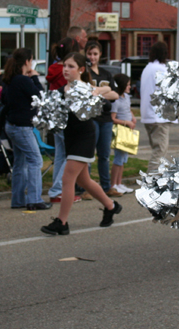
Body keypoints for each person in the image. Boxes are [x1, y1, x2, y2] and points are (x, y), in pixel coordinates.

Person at [41, 52, 121, 235]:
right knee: (84, 180)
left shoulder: (85, 87)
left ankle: (62, 222)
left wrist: (96, 91)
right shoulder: (61, 91)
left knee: (67, 179)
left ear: (81, 70)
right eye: (64, 66)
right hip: (70, 138)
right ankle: (111, 206)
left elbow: (112, 93)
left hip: (85, 137)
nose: (66, 70)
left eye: (71, 66)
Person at [0, 47, 48, 211]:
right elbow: (39, 97)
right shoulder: (23, 80)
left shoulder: (10, 79)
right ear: (28, 61)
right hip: (22, 126)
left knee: (20, 162)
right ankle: (34, 199)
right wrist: (35, 78)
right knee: (35, 160)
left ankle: (18, 199)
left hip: (12, 125)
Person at [45, 37, 82, 204]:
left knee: (60, 155)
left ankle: (56, 190)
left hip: (55, 117)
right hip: (65, 117)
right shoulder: (68, 73)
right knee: (69, 157)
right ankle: (58, 189)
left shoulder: (53, 68)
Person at [85, 41, 118, 197]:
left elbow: (114, 95)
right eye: (90, 54)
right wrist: (104, 91)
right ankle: (87, 188)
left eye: (95, 54)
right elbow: (85, 93)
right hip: (91, 118)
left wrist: (97, 92)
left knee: (104, 155)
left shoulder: (106, 73)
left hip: (106, 119)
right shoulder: (84, 73)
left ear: (100, 55)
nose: (92, 57)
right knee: (89, 154)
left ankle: (106, 187)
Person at [140, 42, 177, 173]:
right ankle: (152, 179)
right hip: (159, 116)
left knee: (156, 148)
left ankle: (155, 177)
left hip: (148, 115)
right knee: (160, 150)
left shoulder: (147, 69)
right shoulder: (161, 69)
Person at [110, 73, 136, 194]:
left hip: (127, 130)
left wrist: (133, 117)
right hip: (120, 130)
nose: (130, 87)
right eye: (128, 85)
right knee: (118, 158)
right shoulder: (115, 100)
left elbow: (128, 109)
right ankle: (113, 184)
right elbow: (113, 118)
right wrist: (126, 122)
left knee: (124, 158)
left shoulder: (127, 97)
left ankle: (119, 183)